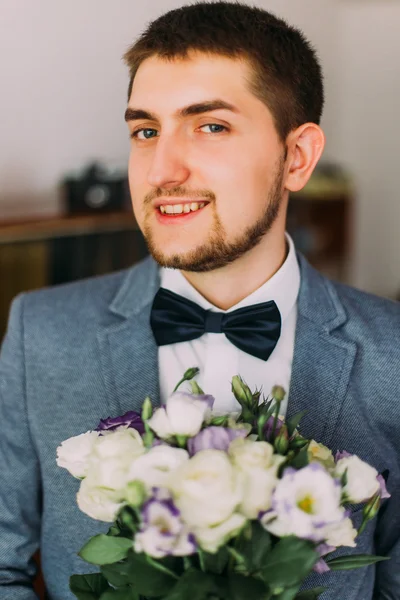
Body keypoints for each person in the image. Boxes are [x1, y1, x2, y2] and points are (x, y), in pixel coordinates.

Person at [0, 2, 399, 598]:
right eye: (145, 131)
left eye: (210, 126)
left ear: (297, 157)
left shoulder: (393, 353)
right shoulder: (40, 333)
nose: (162, 168)